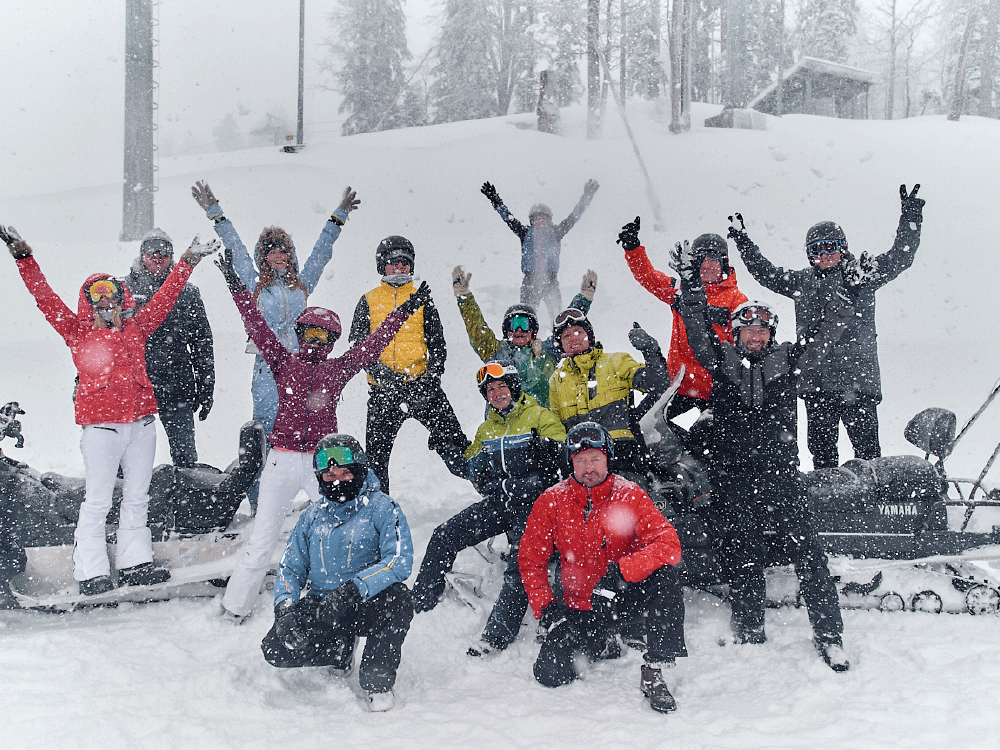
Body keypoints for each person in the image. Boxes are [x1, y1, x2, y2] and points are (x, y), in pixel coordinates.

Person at [215, 247, 430, 620]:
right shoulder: (283, 362)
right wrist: (235, 284)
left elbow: (373, 344)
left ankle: (335, 603)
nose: (315, 342)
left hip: (324, 465)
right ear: (299, 335)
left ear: (331, 342)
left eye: (323, 336)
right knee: (262, 539)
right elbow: (256, 325)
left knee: (336, 536)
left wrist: (404, 312)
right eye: (309, 334)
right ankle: (235, 608)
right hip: (281, 460)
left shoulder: (337, 369)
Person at [2, 223, 217, 595]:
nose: (106, 301)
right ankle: (91, 571)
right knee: (98, 500)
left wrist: (187, 261)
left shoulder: (137, 326)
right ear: (88, 300)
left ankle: (135, 563)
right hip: (101, 431)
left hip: (142, 426)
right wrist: (24, 258)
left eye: (112, 294)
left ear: (122, 297)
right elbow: (44, 297)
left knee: (138, 497)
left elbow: (166, 296)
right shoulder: (76, 331)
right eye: (97, 295)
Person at [675, 240, 852, 671]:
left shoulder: (788, 361)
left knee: (807, 551)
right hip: (735, 474)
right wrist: (690, 289)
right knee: (742, 548)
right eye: (747, 329)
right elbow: (696, 329)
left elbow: (826, 339)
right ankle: (749, 625)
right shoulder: (720, 361)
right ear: (735, 334)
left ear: (770, 334)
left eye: (763, 329)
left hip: (780, 473)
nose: (756, 335)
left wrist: (843, 302)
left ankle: (830, 634)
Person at [729, 184, 925, 469]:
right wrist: (744, 243)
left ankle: (873, 509)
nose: (824, 254)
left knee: (868, 454)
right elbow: (766, 273)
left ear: (843, 247)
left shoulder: (861, 276)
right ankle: (828, 509)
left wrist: (911, 217)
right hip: (816, 382)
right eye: (816, 249)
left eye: (831, 247)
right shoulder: (802, 282)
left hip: (857, 381)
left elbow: (900, 258)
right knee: (822, 456)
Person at [518, 421, 687, 713]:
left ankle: (654, 671)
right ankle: (603, 642)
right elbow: (530, 559)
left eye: (595, 459)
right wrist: (546, 609)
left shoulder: (630, 494)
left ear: (608, 458)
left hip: (624, 596)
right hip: (581, 607)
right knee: (549, 673)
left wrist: (622, 571)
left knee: (667, 573)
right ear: (571, 462)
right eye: (581, 461)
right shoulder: (551, 500)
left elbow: (668, 545)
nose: (588, 468)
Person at [410, 361, 566, 656]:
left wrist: (546, 453)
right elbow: (469, 467)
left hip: (534, 509)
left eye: (501, 386)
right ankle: (420, 601)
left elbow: (564, 457)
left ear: (514, 387)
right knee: (444, 534)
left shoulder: (540, 416)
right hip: (501, 504)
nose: (496, 393)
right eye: (490, 389)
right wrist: (446, 448)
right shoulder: (487, 429)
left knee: (520, 566)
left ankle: (496, 635)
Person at [191, 181, 360, 441]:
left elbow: (320, 253)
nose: (280, 256)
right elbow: (236, 247)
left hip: (299, 363)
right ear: (263, 256)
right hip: (267, 365)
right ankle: (262, 479)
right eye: (273, 251)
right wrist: (215, 212)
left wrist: (338, 219)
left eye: (285, 251)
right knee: (267, 426)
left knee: (302, 425)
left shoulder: (301, 285)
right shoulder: (255, 284)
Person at [262, 434, 413, 712]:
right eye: (329, 475)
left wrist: (354, 589)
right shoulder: (312, 516)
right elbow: (290, 567)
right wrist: (284, 608)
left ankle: (377, 681)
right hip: (324, 605)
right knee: (276, 647)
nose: (337, 481)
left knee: (400, 600)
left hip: (367, 600)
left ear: (359, 471)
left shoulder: (382, 507)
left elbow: (399, 560)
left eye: (345, 473)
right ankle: (340, 651)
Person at [349, 236, 470, 492]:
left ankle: (494, 495)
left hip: (422, 387)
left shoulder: (421, 297)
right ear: (382, 265)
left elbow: (438, 343)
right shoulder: (369, 300)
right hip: (384, 392)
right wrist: (380, 374)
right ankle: (378, 515)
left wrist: (431, 376)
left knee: (455, 445)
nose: (401, 267)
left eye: (406, 262)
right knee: (376, 462)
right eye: (394, 262)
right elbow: (357, 346)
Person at [618, 216, 748, 419]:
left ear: (724, 264)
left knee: (711, 441)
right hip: (678, 383)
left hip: (715, 389)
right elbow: (649, 277)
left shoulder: (736, 300)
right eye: (701, 261)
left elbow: (739, 350)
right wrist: (633, 248)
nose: (707, 266)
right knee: (640, 425)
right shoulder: (680, 290)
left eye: (713, 260)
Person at [123, 228, 215, 467]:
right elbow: (102, 341)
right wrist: (85, 381)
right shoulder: (123, 291)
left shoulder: (188, 292)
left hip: (177, 382)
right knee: (125, 455)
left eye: (164, 251)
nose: (158, 255)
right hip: (134, 382)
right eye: (151, 249)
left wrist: (206, 385)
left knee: (184, 456)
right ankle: (121, 499)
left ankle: (186, 499)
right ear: (141, 254)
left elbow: (202, 343)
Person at [451, 265, 597, 407]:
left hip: (543, 424)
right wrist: (464, 297)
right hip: (504, 425)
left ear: (533, 331)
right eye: (513, 325)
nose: (519, 330)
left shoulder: (546, 352)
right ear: (506, 331)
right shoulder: (496, 352)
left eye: (524, 324)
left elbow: (567, 326)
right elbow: (477, 329)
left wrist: (584, 299)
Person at [548, 308, 670, 474]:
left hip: (622, 455)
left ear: (589, 336)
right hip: (582, 463)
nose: (573, 338)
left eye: (578, 331)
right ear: (560, 344)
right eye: (566, 336)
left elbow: (656, 383)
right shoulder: (557, 380)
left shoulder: (616, 361)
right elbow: (556, 424)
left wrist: (650, 350)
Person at [480, 179, 600, 324]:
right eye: (537, 218)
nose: (540, 221)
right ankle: (527, 343)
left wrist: (586, 196)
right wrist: (496, 200)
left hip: (550, 280)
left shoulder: (556, 232)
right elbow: (508, 218)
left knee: (557, 317)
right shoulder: (525, 233)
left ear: (549, 220)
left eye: (544, 218)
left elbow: (574, 217)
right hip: (530, 280)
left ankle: (558, 341)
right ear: (532, 221)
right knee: (526, 316)